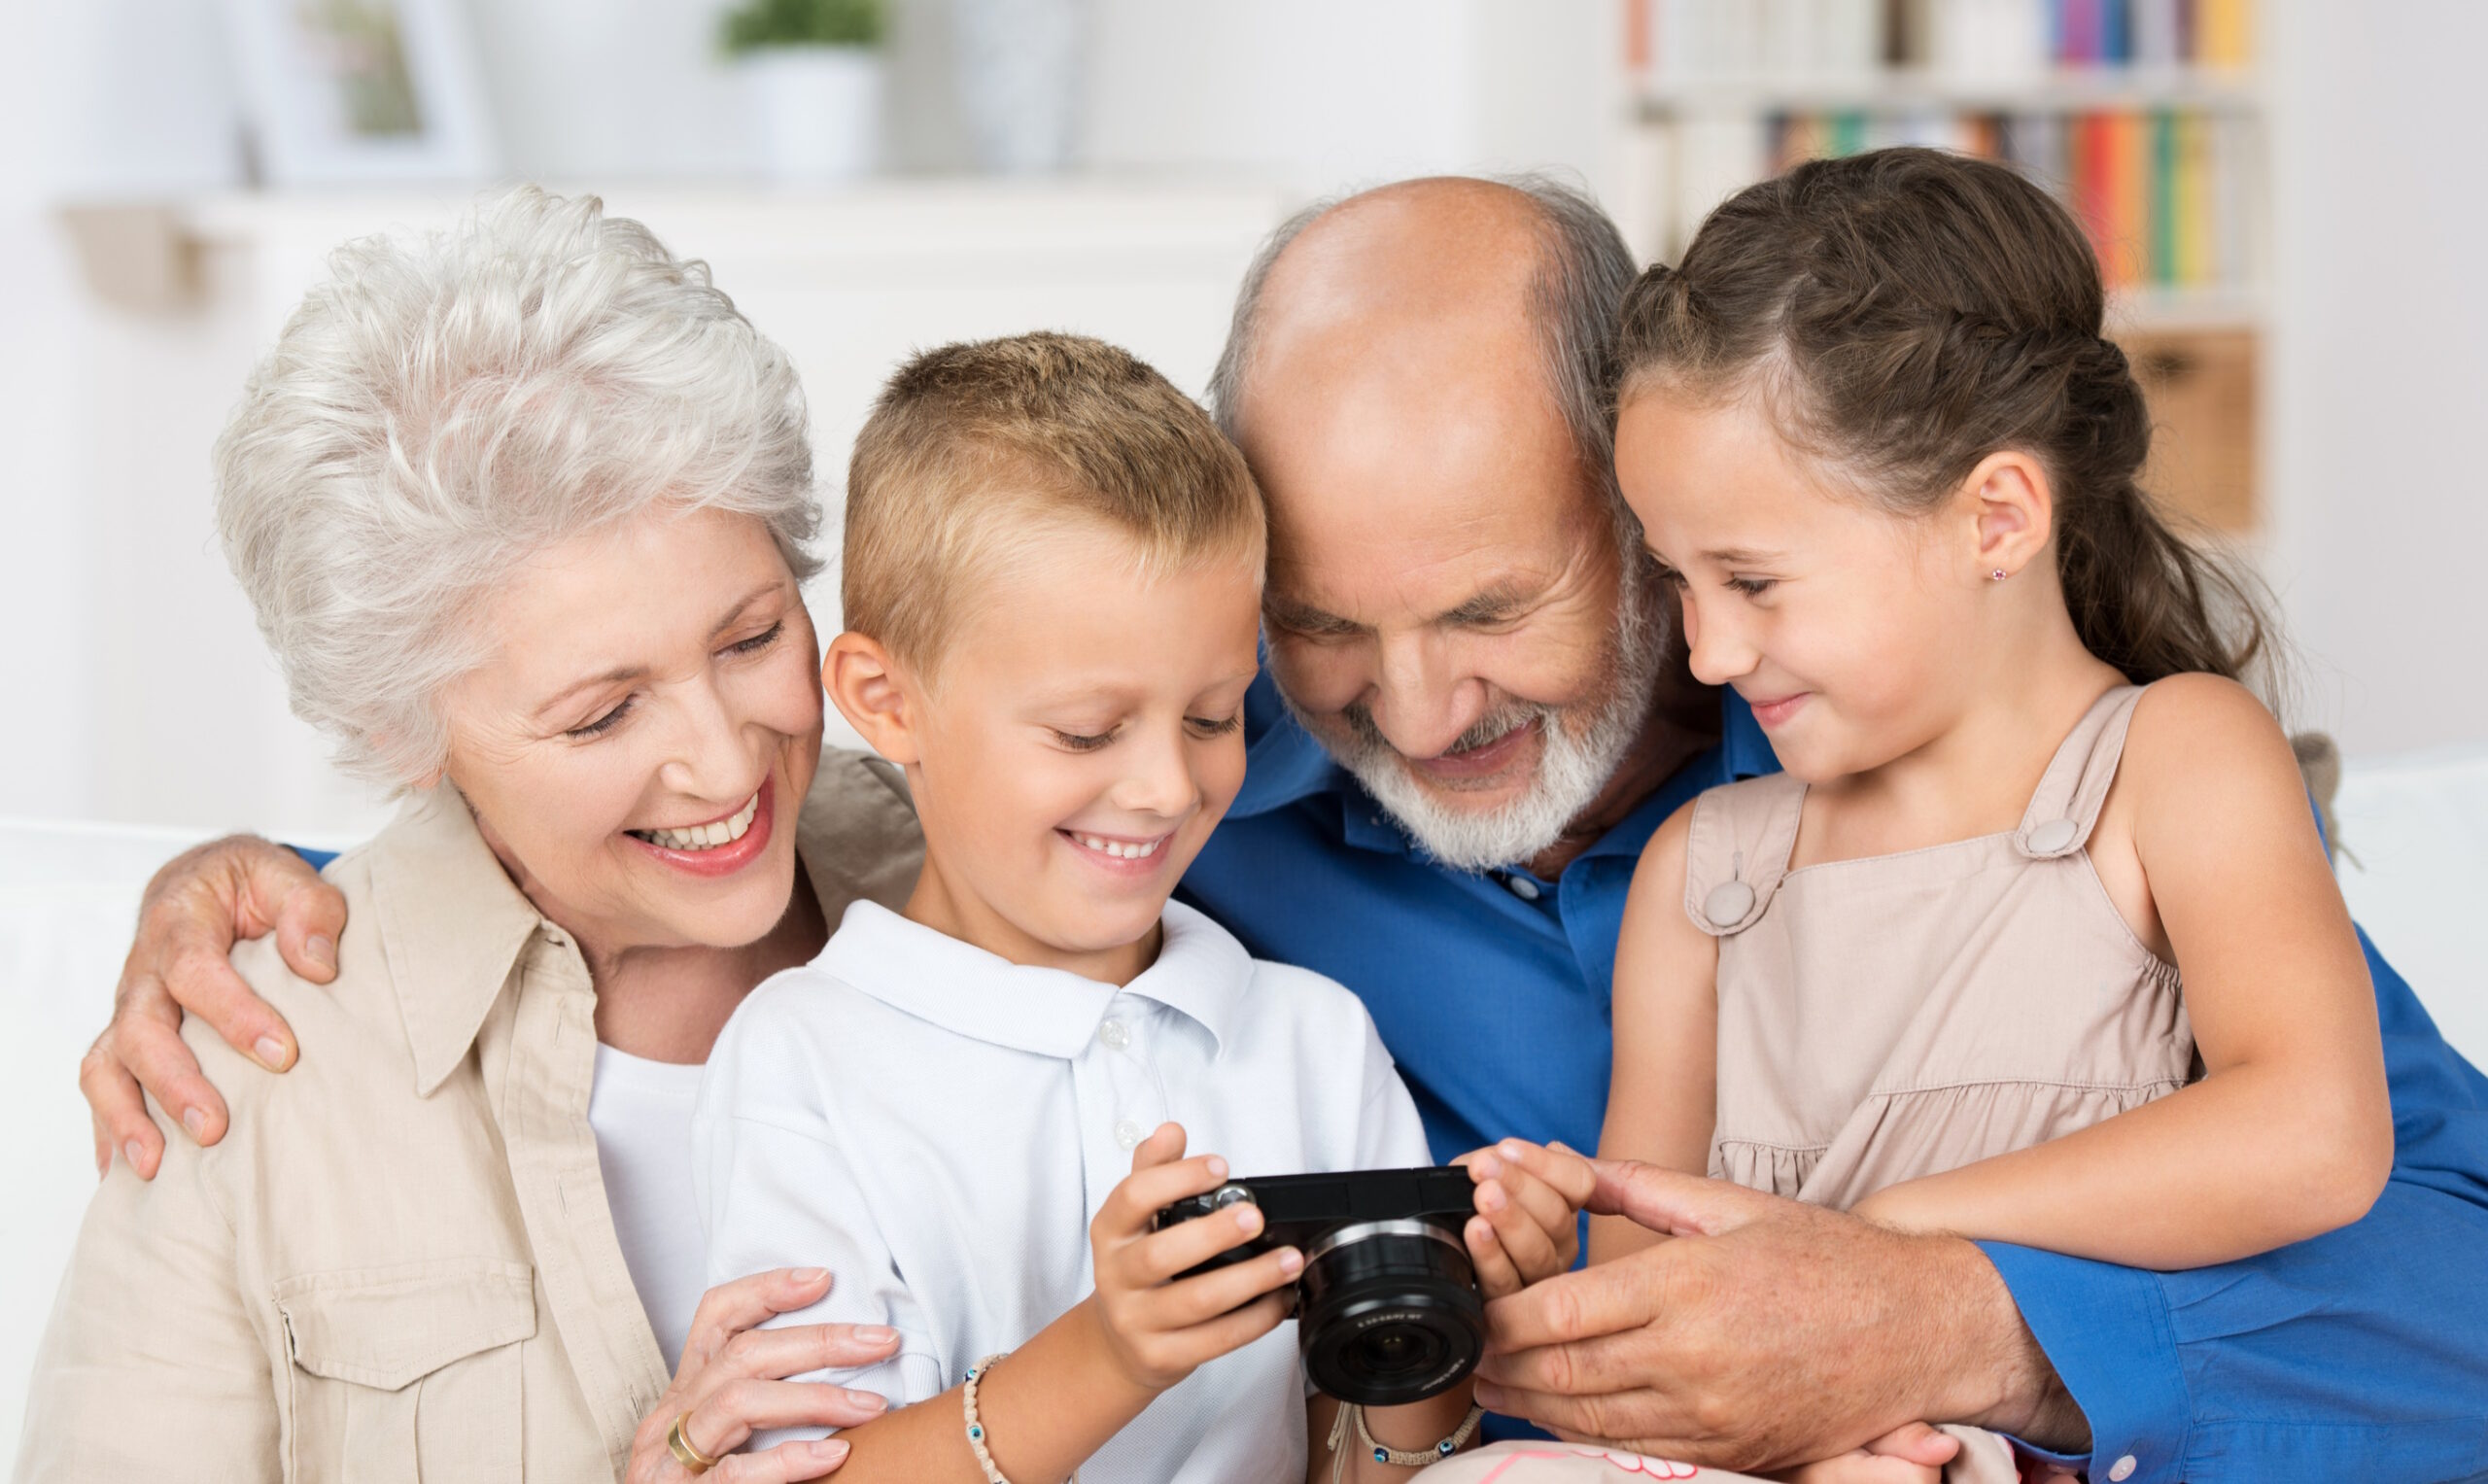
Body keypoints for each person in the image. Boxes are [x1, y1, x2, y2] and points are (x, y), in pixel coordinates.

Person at [79, 176, 2488, 1481]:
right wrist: (270, 882)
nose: (1408, 708)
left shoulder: (1960, 779)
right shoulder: (1188, 830)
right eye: (1319, 635)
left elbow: (2443, 1287)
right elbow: (785, 790)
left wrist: (1952, 1317)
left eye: (1493, 607)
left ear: (1660, 511)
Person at [1435, 149, 2402, 1484]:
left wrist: (1884, 1242)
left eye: (1755, 580)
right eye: (1679, 580)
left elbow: (2315, 1133)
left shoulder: (2175, 761)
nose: (1708, 651)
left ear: (1996, 516)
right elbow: (1647, 1321)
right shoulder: (1706, 872)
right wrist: (1548, 1297)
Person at [17, 188, 916, 1483]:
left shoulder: (985, 883)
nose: (726, 758)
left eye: (755, 636)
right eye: (602, 713)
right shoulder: (250, 1079)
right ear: (408, 731)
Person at [688, 331, 1580, 1484]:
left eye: (1212, 717)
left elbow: (1373, 1470)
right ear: (884, 700)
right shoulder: (803, 1061)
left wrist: (1441, 1323)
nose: (1168, 787)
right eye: (1086, 731)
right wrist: (1109, 1356)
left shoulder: (1309, 1036)